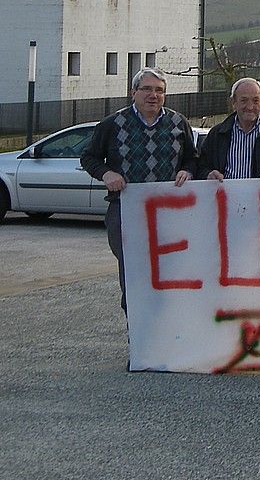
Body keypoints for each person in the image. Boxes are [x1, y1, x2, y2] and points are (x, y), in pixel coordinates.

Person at [81, 67, 197, 313]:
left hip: (169, 212)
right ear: (133, 92)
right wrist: (106, 173)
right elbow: (89, 158)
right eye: (146, 89)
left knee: (171, 273)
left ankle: (169, 334)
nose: (153, 95)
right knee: (133, 275)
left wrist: (187, 170)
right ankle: (137, 336)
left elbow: (193, 158)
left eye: (159, 90)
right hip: (126, 210)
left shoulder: (178, 123)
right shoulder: (113, 124)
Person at [196, 78, 260, 181]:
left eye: (255, 100)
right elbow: (200, 167)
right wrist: (208, 175)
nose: (250, 107)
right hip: (225, 196)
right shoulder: (217, 134)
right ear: (233, 102)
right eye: (244, 100)